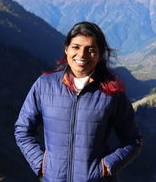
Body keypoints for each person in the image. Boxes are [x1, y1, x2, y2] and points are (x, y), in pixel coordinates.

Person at [14, 21, 142, 182]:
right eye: (76, 47)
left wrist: (106, 166)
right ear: (66, 49)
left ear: (100, 54)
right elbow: (23, 130)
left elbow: (133, 141)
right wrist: (41, 164)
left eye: (90, 49)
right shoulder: (44, 85)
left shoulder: (112, 92)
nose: (82, 54)